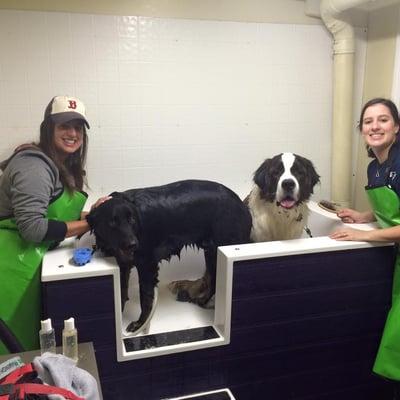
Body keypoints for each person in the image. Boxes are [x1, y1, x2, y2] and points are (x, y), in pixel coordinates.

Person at [0, 95, 108, 354]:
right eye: (64, 126)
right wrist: (92, 221)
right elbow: (34, 228)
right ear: (48, 128)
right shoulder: (34, 165)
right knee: (10, 356)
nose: (72, 133)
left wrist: (90, 214)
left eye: (78, 128)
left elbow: (54, 215)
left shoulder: (58, 165)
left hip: (28, 264)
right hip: (9, 271)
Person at [329, 97, 400, 382]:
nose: (375, 127)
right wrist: (363, 216)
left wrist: (364, 235)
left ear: (397, 127)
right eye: (368, 121)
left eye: (383, 120)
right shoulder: (375, 167)